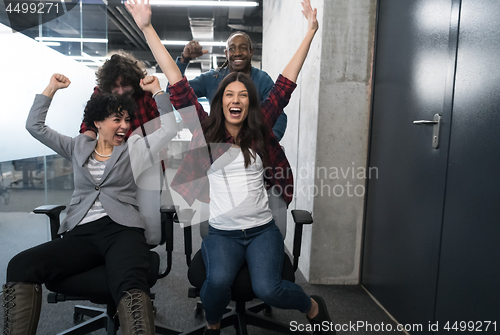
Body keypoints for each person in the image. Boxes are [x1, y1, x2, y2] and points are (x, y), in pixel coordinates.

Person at [126, 0, 335, 334]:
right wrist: (147, 28)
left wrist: (310, 31)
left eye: (242, 95)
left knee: (270, 288)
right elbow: (176, 82)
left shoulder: (261, 126)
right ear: (220, 100)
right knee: (215, 285)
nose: (235, 100)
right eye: (228, 95)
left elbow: (286, 82)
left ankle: (311, 305)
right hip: (222, 232)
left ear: (249, 102)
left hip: (262, 231)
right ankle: (213, 324)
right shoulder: (206, 131)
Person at [2, 73, 176, 335]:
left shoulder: (135, 147)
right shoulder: (77, 147)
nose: (124, 126)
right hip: (82, 233)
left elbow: (169, 129)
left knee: (129, 281)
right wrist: (51, 88)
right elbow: (34, 126)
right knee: (20, 265)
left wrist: (158, 92)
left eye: (127, 120)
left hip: (123, 230)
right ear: (98, 122)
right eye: (117, 119)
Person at [173, 30, 288, 140]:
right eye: (232, 49)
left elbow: (278, 114)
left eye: (243, 48)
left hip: (251, 147)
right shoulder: (213, 78)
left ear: (250, 52)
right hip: (219, 147)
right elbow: (175, 92)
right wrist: (184, 60)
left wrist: (268, 143)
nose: (237, 53)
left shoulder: (262, 79)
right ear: (226, 53)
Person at [80, 50, 161, 140]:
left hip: (149, 151)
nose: (121, 92)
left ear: (134, 83)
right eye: (115, 86)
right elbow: (89, 124)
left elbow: (166, 124)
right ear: (108, 86)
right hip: (115, 152)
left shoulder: (146, 94)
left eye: (125, 85)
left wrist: (156, 90)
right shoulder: (101, 94)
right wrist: (87, 144)